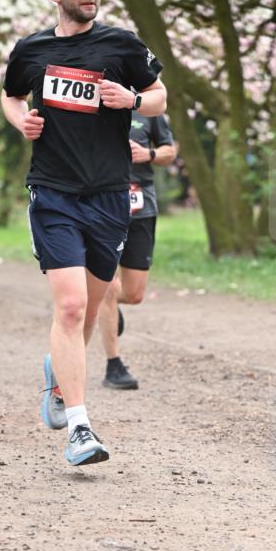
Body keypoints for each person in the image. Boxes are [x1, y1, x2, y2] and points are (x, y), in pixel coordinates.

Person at [1, 0, 167, 467]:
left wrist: (132, 101)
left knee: (93, 311)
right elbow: (10, 95)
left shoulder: (122, 45)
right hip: (53, 192)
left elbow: (159, 95)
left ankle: (57, 379)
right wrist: (20, 120)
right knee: (70, 307)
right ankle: (79, 427)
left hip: (111, 194)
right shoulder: (32, 49)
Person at [97, 114, 176, 389]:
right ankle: (114, 365)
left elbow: (170, 151)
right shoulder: (96, 101)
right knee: (107, 284)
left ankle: (98, 298)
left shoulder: (150, 107)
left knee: (133, 294)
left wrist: (149, 154)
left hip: (141, 205)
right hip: (102, 203)